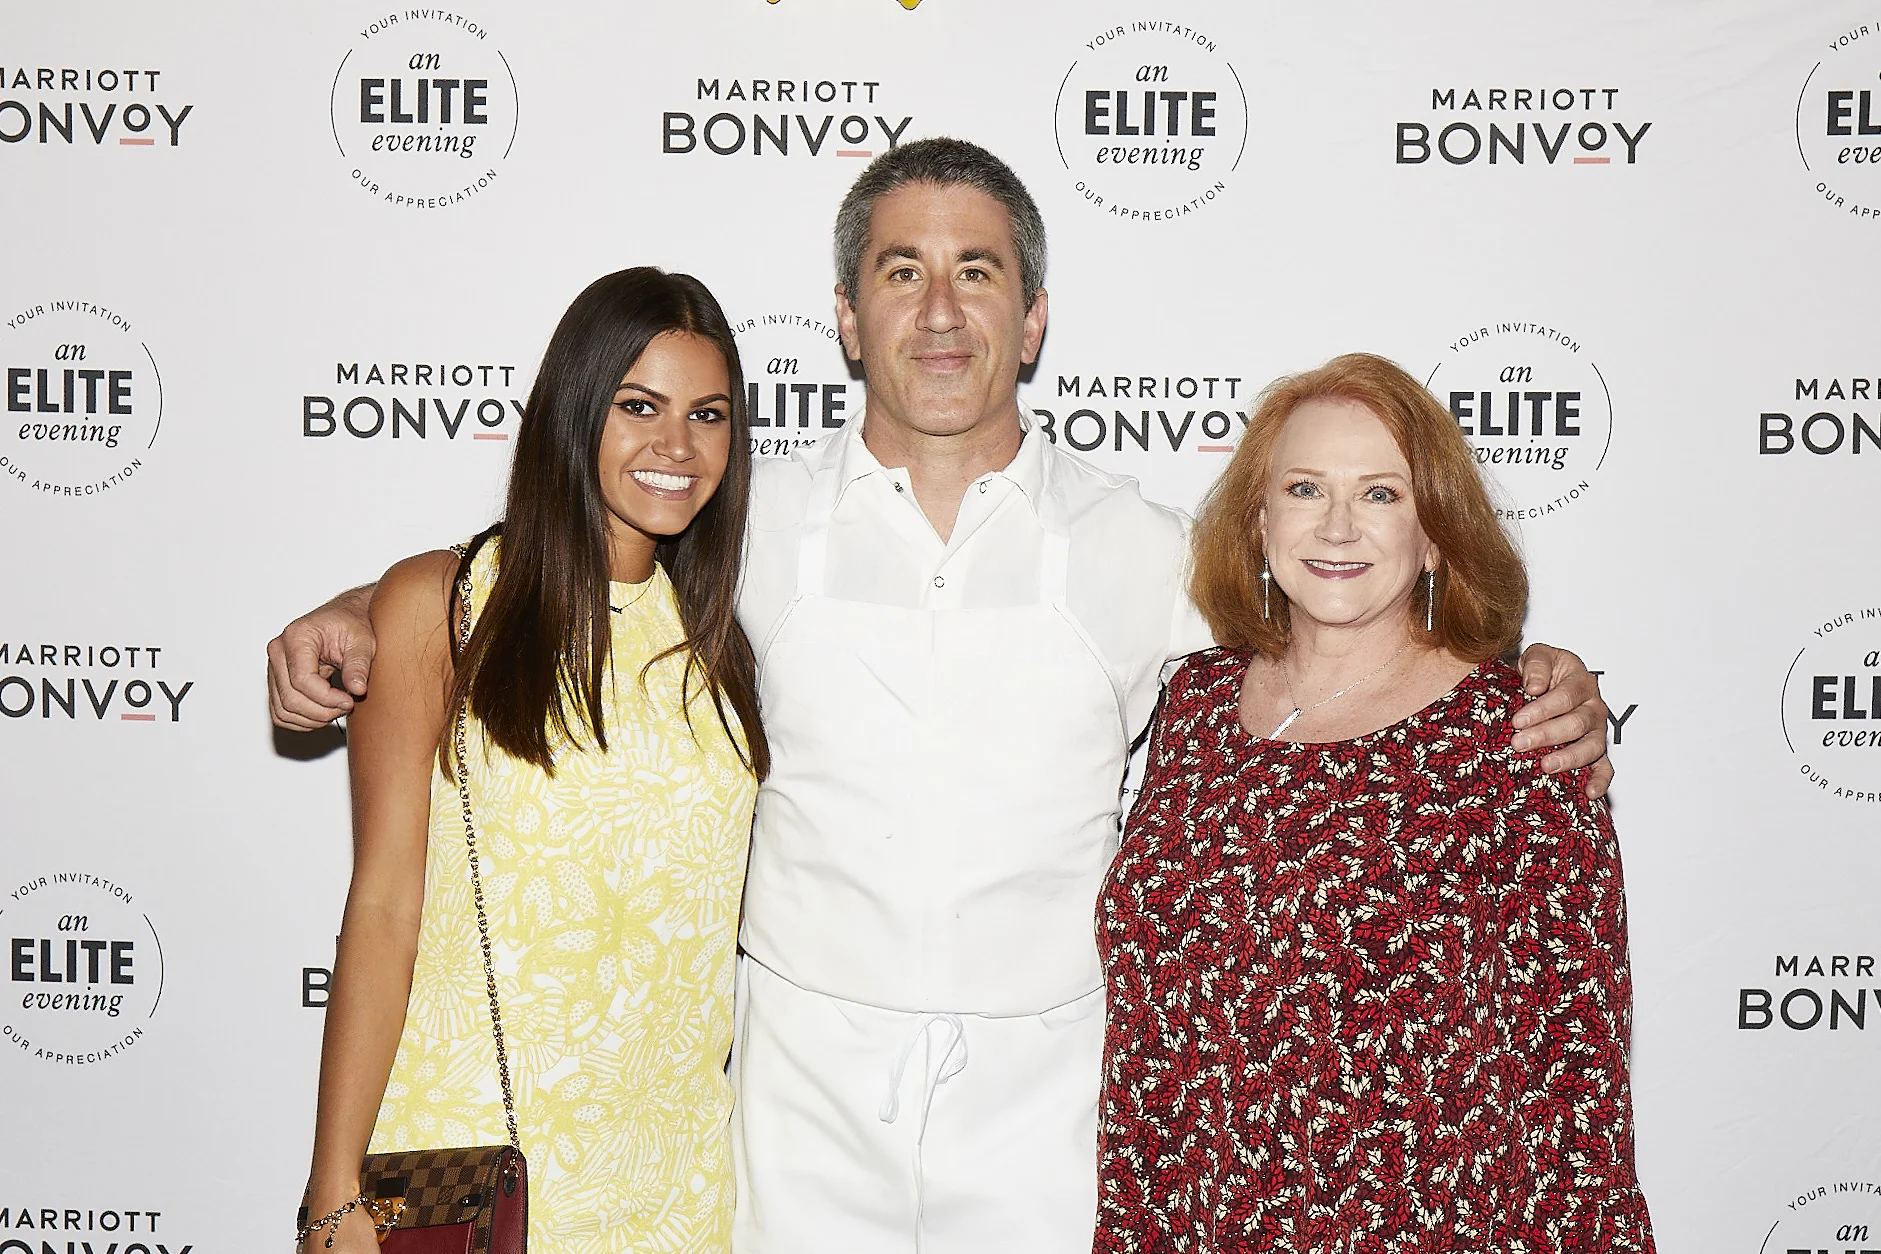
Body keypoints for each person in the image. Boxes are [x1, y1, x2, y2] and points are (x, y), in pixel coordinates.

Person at [270, 141, 1614, 1254]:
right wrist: (361, 610)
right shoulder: (745, 529)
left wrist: (1537, 679)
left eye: (978, 272)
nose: (939, 310)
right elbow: (568, 559)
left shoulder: (1142, 547)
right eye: (899, 271)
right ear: (846, 316)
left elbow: (1339, 628)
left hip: (1048, 1110)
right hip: (794, 1104)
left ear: (1033, 318)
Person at [1094, 353, 1654, 1253]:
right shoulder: (1197, 705)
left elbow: (1574, 1088)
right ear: (1260, 520)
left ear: (1433, 535)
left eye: (1381, 494)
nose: (1337, 526)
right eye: (1305, 488)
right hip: (1190, 1218)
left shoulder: (1517, 735)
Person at [299, 268, 767, 1254]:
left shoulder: (721, 642)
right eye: (638, 406)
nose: (677, 445)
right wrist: (333, 1189)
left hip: (675, 1186)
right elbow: (384, 906)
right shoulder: (445, 607)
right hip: (474, 1170)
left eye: (708, 415)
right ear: (574, 410)